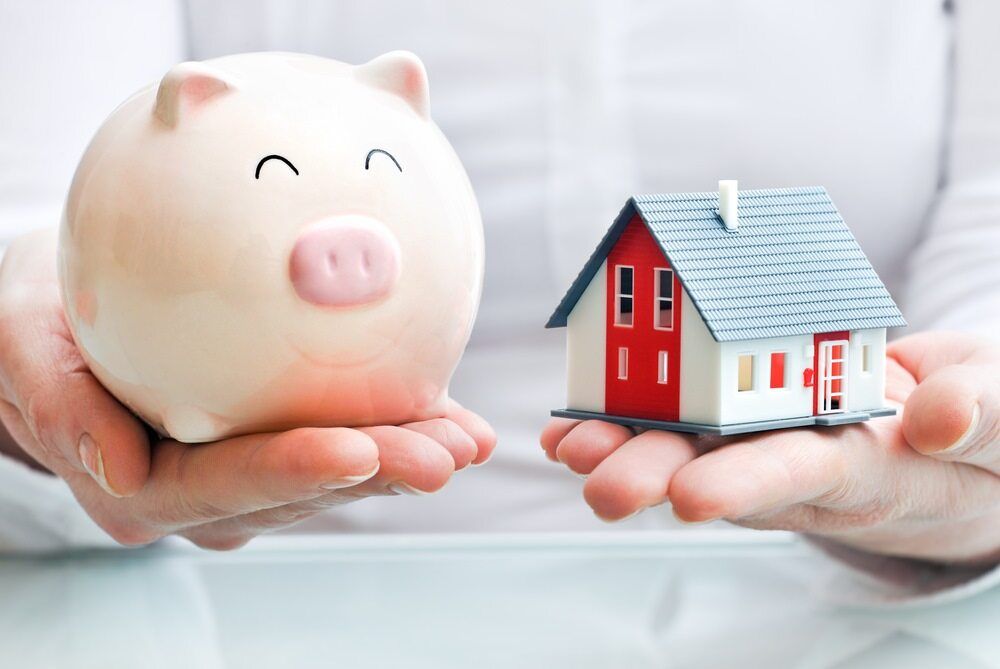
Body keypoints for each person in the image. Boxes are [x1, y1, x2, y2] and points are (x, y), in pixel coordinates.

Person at [0, 0, 998, 591]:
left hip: (848, 612)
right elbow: (39, 205)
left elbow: (985, 263)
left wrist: (971, 473)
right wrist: (42, 373)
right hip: (267, 602)